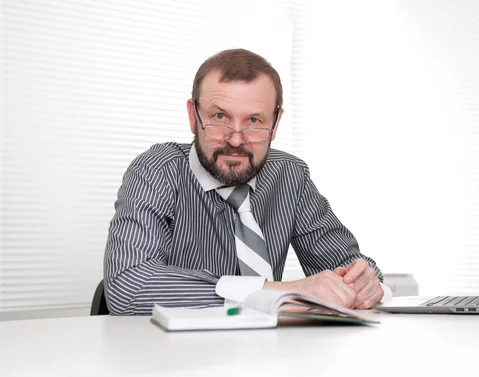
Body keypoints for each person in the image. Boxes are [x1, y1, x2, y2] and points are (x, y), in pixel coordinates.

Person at [103, 48, 390, 315]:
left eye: (254, 120)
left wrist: (362, 281)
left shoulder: (290, 177)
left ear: (275, 124)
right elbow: (128, 287)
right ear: (193, 116)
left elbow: (346, 266)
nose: (236, 139)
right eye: (219, 116)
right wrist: (279, 292)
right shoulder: (158, 170)